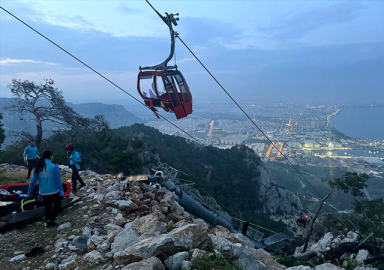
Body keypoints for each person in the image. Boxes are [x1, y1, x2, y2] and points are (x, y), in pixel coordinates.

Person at [27, 150, 64, 227]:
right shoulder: (54, 166)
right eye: (52, 156)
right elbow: (58, 179)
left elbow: (33, 181)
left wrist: (29, 192)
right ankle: (51, 219)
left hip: (43, 192)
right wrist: (61, 190)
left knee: (48, 206)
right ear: (50, 156)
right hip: (54, 191)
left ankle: (48, 221)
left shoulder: (39, 166)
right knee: (57, 204)